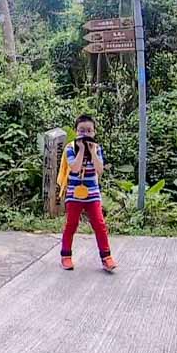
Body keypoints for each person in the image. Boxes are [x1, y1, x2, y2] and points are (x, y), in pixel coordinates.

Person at [59, 114, 116, 273]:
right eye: (81, 130)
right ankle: (66, 256)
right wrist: (81, 149)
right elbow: (75, 168)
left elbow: (99, 170)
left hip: (93, 194)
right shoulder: (70, 148)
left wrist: (91, 152)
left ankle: (106, 257)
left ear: (94, 132)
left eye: (89, 131)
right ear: (76, 131)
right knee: (71, 225)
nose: (85, 134)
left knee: (99, 224)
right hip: (74, 194)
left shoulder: (97, 149)